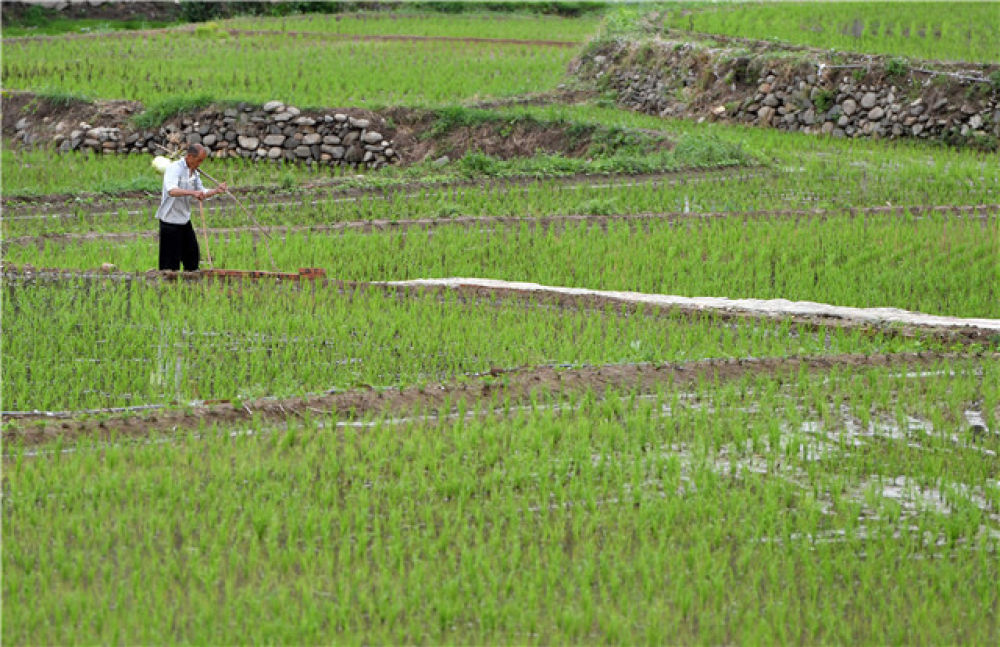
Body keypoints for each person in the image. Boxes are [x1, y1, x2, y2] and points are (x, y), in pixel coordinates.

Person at [155, 143, 228, 271]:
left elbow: (201, 192)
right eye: (199, 160)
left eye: (202, 161)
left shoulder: (194, 173)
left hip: (184, 220)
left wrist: (216, 190)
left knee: (192, 258)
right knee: (170, 266)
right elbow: (172, 190)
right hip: (170, 222)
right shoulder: (174, 168)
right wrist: (192, 193)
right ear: (189, 157)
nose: (200, 164)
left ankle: (191, 280)